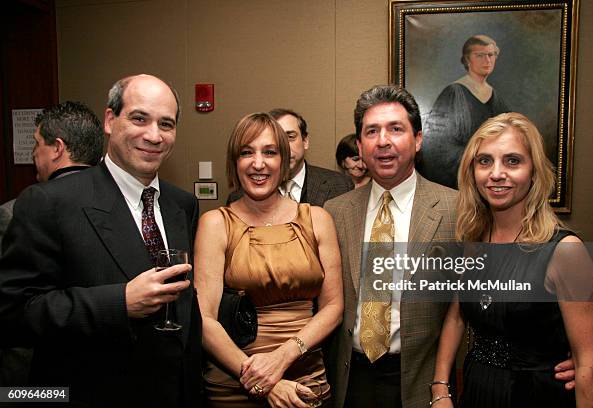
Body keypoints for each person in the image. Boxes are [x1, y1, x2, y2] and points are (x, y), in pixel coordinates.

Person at [0, 74, 202, 407]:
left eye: (166, 124)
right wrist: (119, 303)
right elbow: (14, 315)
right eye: (139, 118)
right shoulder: (50, 202)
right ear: (110, 120)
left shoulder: (181, 205)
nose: (154, 135)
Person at [432, 112, 593, 407]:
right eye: (484, 161)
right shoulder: (474, 241)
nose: (496, 173)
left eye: (513, 161)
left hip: (536, 395)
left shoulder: (565, 252)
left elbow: (590, 367)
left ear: (534, 171)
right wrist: (440, 390)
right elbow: (457, 314)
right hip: (476, 391)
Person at [324, 85, 458, 408]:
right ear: (359, 145)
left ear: (418, 139)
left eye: (396, 129)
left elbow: (472, 301)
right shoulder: (335, 211)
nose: (383, 141)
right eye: (372, 131)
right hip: (349, 378)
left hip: (419, 380)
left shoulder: (456, 209)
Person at [196, 112, 343, 407]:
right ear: (234, 162)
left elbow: (333, 307)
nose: (258, 163)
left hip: (305, 375)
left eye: (270, 152)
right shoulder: (215, 223)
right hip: (234, 380)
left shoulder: (317, 219)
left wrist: (283, 356)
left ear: (284, 159)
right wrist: (259, 378)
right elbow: (204, 318)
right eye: (246, 152)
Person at [0, 100, 104, 386]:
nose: (34, 154)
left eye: (37, 144)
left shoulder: (18, 209)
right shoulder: (124, 210)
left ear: (57, 148)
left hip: (34, 372)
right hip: (103, 372)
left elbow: (11, 308)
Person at [419, 34, 510, 189]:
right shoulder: (454, 93)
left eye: (491, 55)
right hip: (461, 181)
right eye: (480, 55)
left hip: (492, 179)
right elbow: (438, 149)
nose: (487, 60)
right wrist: (477, 160)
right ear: (468, 60)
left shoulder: (496, 97)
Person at [227, 108, 353, 206]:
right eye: (276, 141)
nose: (284, 147)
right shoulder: (238, 198)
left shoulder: (339, 185)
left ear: (305, 141)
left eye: (290, 137)